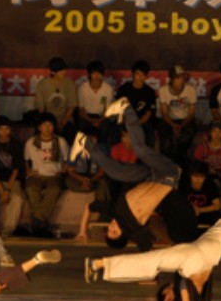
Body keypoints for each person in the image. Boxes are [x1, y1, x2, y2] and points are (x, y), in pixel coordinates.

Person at [83, 201, 221, 301]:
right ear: (167, 299)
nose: (169, 290)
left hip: (205, 255)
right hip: (202, 256)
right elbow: (184, 286)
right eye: (167, 291)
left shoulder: (197, 297)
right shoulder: (196, 298)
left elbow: (185, 285)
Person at [70, 98, 198, 251]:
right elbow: (145, 248)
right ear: (123, 233)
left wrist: (82, 231)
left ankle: (84, 142)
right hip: (168, 174)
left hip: (147, 177)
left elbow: (90, 207)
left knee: (115, 171)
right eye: (114, 232)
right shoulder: (136, 228)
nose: (111, 227)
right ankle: (127, 108)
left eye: (108, 230)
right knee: (140, 149)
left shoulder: (112, 210)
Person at [24, 113, 70, 237]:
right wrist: (28, 170)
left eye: (50, 125)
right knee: (31, 188)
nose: (47, 128)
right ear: (39, 127)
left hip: (54, 175)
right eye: (44, 125)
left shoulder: (61, 141)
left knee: (54, 189)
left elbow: (67, 160)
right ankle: (42, 223)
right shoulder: (31, 142)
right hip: (37, 175)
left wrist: (63, 169)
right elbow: (26, 160)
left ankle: (36, 220)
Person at [0, 116, 26, 238]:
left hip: (12, 181)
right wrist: (2, 190)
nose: (4, 132)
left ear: (10, 130)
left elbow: (16, 169)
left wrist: (7, 190)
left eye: (6, 129)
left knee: (17, 199)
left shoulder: (16, 145)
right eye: (1, 129)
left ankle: (7, 231)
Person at [157, 65, 198, 164]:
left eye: (182, 77)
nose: (181, 80)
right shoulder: (163, 90)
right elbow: (164, 113)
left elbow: (191, 113)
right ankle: (167, 163)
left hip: (186, 119)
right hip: (169, 120)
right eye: (178, 78)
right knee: (165, 141)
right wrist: (173, 125)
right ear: (172, 79)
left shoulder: (191, 90)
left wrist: (181, 125)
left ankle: (181, 162)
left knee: (185, 138)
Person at [34, 57, 78, 143]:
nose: (64, 72)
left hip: (65, 119)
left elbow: (71, 107)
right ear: (53, 72)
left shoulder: (69, 84)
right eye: (61, 71)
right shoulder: (42, 84)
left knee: (71, 134)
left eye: (64, 70)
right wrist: (48, 123)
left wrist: (62, 123)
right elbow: (41, 109)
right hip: (48, 119)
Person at [115, 60, 157, 146]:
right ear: (133, 74)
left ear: (146, 76)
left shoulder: (149, 92)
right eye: (138, 74)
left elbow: (148, 113)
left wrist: (137, 124)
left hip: (141, 122)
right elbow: (118, 109)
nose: (140, 77)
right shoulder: (124, 89)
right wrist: (125, 123)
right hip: (125, 120)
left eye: (143, 75)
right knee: (115, 133)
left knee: (149, 135)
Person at [76, 60, 115, 141]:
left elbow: (107, 110)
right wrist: (90, 120)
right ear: (89, 74)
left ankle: (101, 146)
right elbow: (81, 110)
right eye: (94, 73)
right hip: (87, 116)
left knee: (105, 127)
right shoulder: (83, 88)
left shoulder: (108, 89)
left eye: (99, 73)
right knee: (81, 125)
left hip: (101, 116)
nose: (97, 76)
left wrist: (99, 121)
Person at [192, 121, 221, 189]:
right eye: (214, 131)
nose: (217, 135)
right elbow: (197, 166)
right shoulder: (202, 148)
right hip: (206, 176)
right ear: (210, 133)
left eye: (220, 132)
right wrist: (208, 169)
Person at [179, 161, 221, 226]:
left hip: (206, 214)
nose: (198, 179)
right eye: (195, 176)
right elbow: (178, 203)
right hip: (187, 214)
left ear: (205, 177)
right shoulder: (184, 185)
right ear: (190, 175)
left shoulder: (210, 185)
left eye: (201, 177)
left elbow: (217, 205)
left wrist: (199, 210)